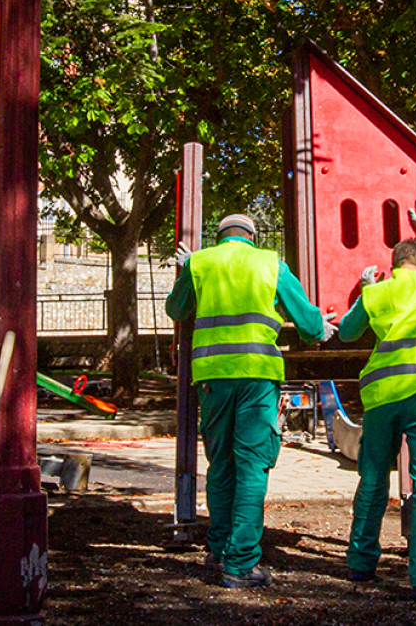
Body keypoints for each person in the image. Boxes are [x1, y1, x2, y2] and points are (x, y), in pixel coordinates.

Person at [166, 213, 336, 589]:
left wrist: (185, 270)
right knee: (253, 465)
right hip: (257, 376)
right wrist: (321, 327)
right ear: (252, 237)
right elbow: (309, 326)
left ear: (221, 236)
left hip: (211, 377)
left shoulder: (200, 262)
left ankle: (217, 550)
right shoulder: (269, 263)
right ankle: (241, 563)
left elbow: (176, 311)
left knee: (221, 463)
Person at [337, 199, 416, 600]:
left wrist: (368, 290)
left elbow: (349, 333)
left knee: (372, 479)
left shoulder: (379, 292)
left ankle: (360, 564)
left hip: (383, 398)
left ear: (393, 266)